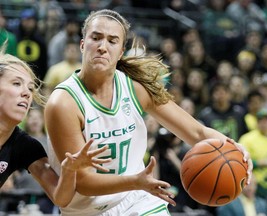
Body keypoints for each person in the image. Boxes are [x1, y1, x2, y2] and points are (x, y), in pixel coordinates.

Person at [44, 9, 252, 216]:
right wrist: (136, 181)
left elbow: (197, 133)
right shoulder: (63, 103)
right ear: (82, 44)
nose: (102, 47)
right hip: (87, 210)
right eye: (96, 38)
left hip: (137, 200)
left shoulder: (135, 89)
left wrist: (234, 148)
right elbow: (82, 181)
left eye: (112, 41)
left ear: (121, 52)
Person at [0, 43, 112, 210]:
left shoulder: (24, 146)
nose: (26, 93)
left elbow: (60, 198)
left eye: (30, 88)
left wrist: (69, 170)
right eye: (17, 83)